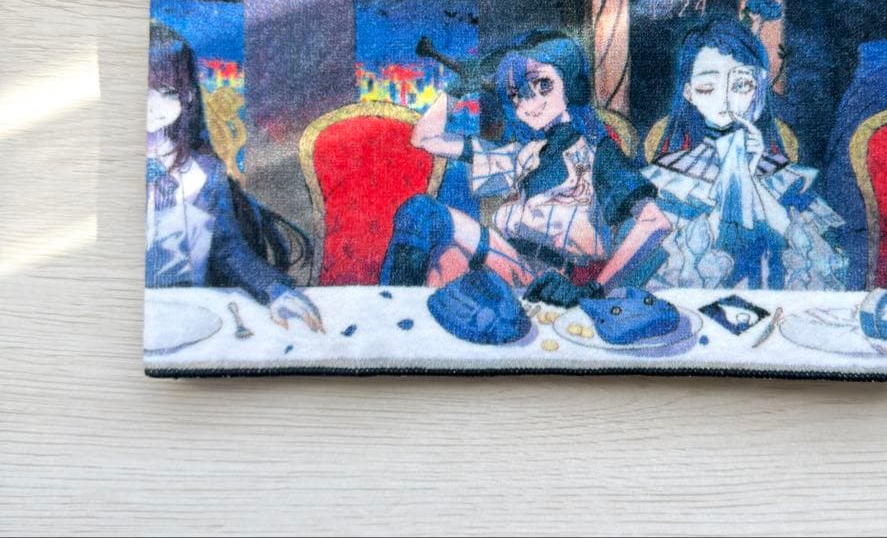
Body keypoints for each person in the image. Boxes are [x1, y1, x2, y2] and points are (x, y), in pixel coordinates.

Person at [381, 32, 671, 305]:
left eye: (543, 85)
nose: (529, 101)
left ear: (571, 85)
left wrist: (594, 289)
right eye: (516, 93)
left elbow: (656, 223)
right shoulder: (522, 155)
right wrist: (456, 89)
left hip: (544, 282)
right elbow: (425, 138)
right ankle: (396, 320)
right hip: (503, 269)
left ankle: (391, 312)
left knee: (423, 212)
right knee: (440, 261)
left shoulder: (599, 154)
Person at [643, 17, 847, 290]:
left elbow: (827, 271)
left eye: (740, 85)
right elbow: (663, 278)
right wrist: (734, 183)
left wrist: (748, 177)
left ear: (757, 90)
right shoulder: (665, 180)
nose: (724, 99)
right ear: (689, 93)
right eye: (707, 87)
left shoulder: (782, 177)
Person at [145, 21, 324, 332]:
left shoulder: (205, 171)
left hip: (191, 316)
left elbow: (229, 249)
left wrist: (274, 290)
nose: (152, 106)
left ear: (188, 95)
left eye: (168, 92)